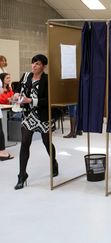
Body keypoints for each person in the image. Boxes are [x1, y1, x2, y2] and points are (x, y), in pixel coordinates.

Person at [14, 54, 59, 190]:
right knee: (25, 144)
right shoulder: (26, 75)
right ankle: (22, 175)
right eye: (33, 63)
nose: (34, 66)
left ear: (43, 66)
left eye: (37, 64)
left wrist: (31, 101)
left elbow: (49, 100)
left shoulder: (47, 79)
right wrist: (16, 94)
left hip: (43, 116)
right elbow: (18, 89)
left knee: (47, 143)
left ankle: (54, 162)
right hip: (28, 116)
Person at [0, 73, 14, 161]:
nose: (9, 79)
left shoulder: (9, 88)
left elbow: (11, 97)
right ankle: (2, 152)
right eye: (7, 78)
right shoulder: (2, 88)